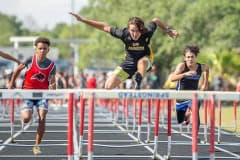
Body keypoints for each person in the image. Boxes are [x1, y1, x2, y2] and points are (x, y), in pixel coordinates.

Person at [70, 12, 179, 89]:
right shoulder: (123, 33)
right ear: (128, 29)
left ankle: (138, 79)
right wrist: (83, 20)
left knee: (142, 62)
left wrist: (168, 30)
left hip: (146, 60)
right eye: (132, 31)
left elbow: (156, 20)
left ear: (141, 29)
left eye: (137, 31)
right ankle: (134, 77)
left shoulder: (147, 32)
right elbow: (104, 27)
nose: (134, 34)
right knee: (108, 86)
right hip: (129, 64)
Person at [8, 37, 56, 155]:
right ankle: (24, 114)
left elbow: (53, 81)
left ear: (48, 50)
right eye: (40, 48)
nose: (42, 51)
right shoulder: (30, 60)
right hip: (28, 93)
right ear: (36, 49)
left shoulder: (52, 65)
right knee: (26, 118)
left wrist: (54, 92)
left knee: (42, 117)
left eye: (45, 49)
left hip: (42, 94)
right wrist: (11, 83)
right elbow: (17, 70)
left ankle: (36, 145)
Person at [171, 45, 209, 137]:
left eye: (192, 57)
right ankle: (187, 114)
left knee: (195, 108)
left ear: (196, 57)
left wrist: (205, 83)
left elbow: (207, 69)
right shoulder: (182, 66)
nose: (190, 59)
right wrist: (185, 74)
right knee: (180, 120)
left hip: (194, 95)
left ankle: (195, 136)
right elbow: (172, 78)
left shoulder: (201, 67)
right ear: (185, 58)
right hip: (181, 97)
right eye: (188, 57)